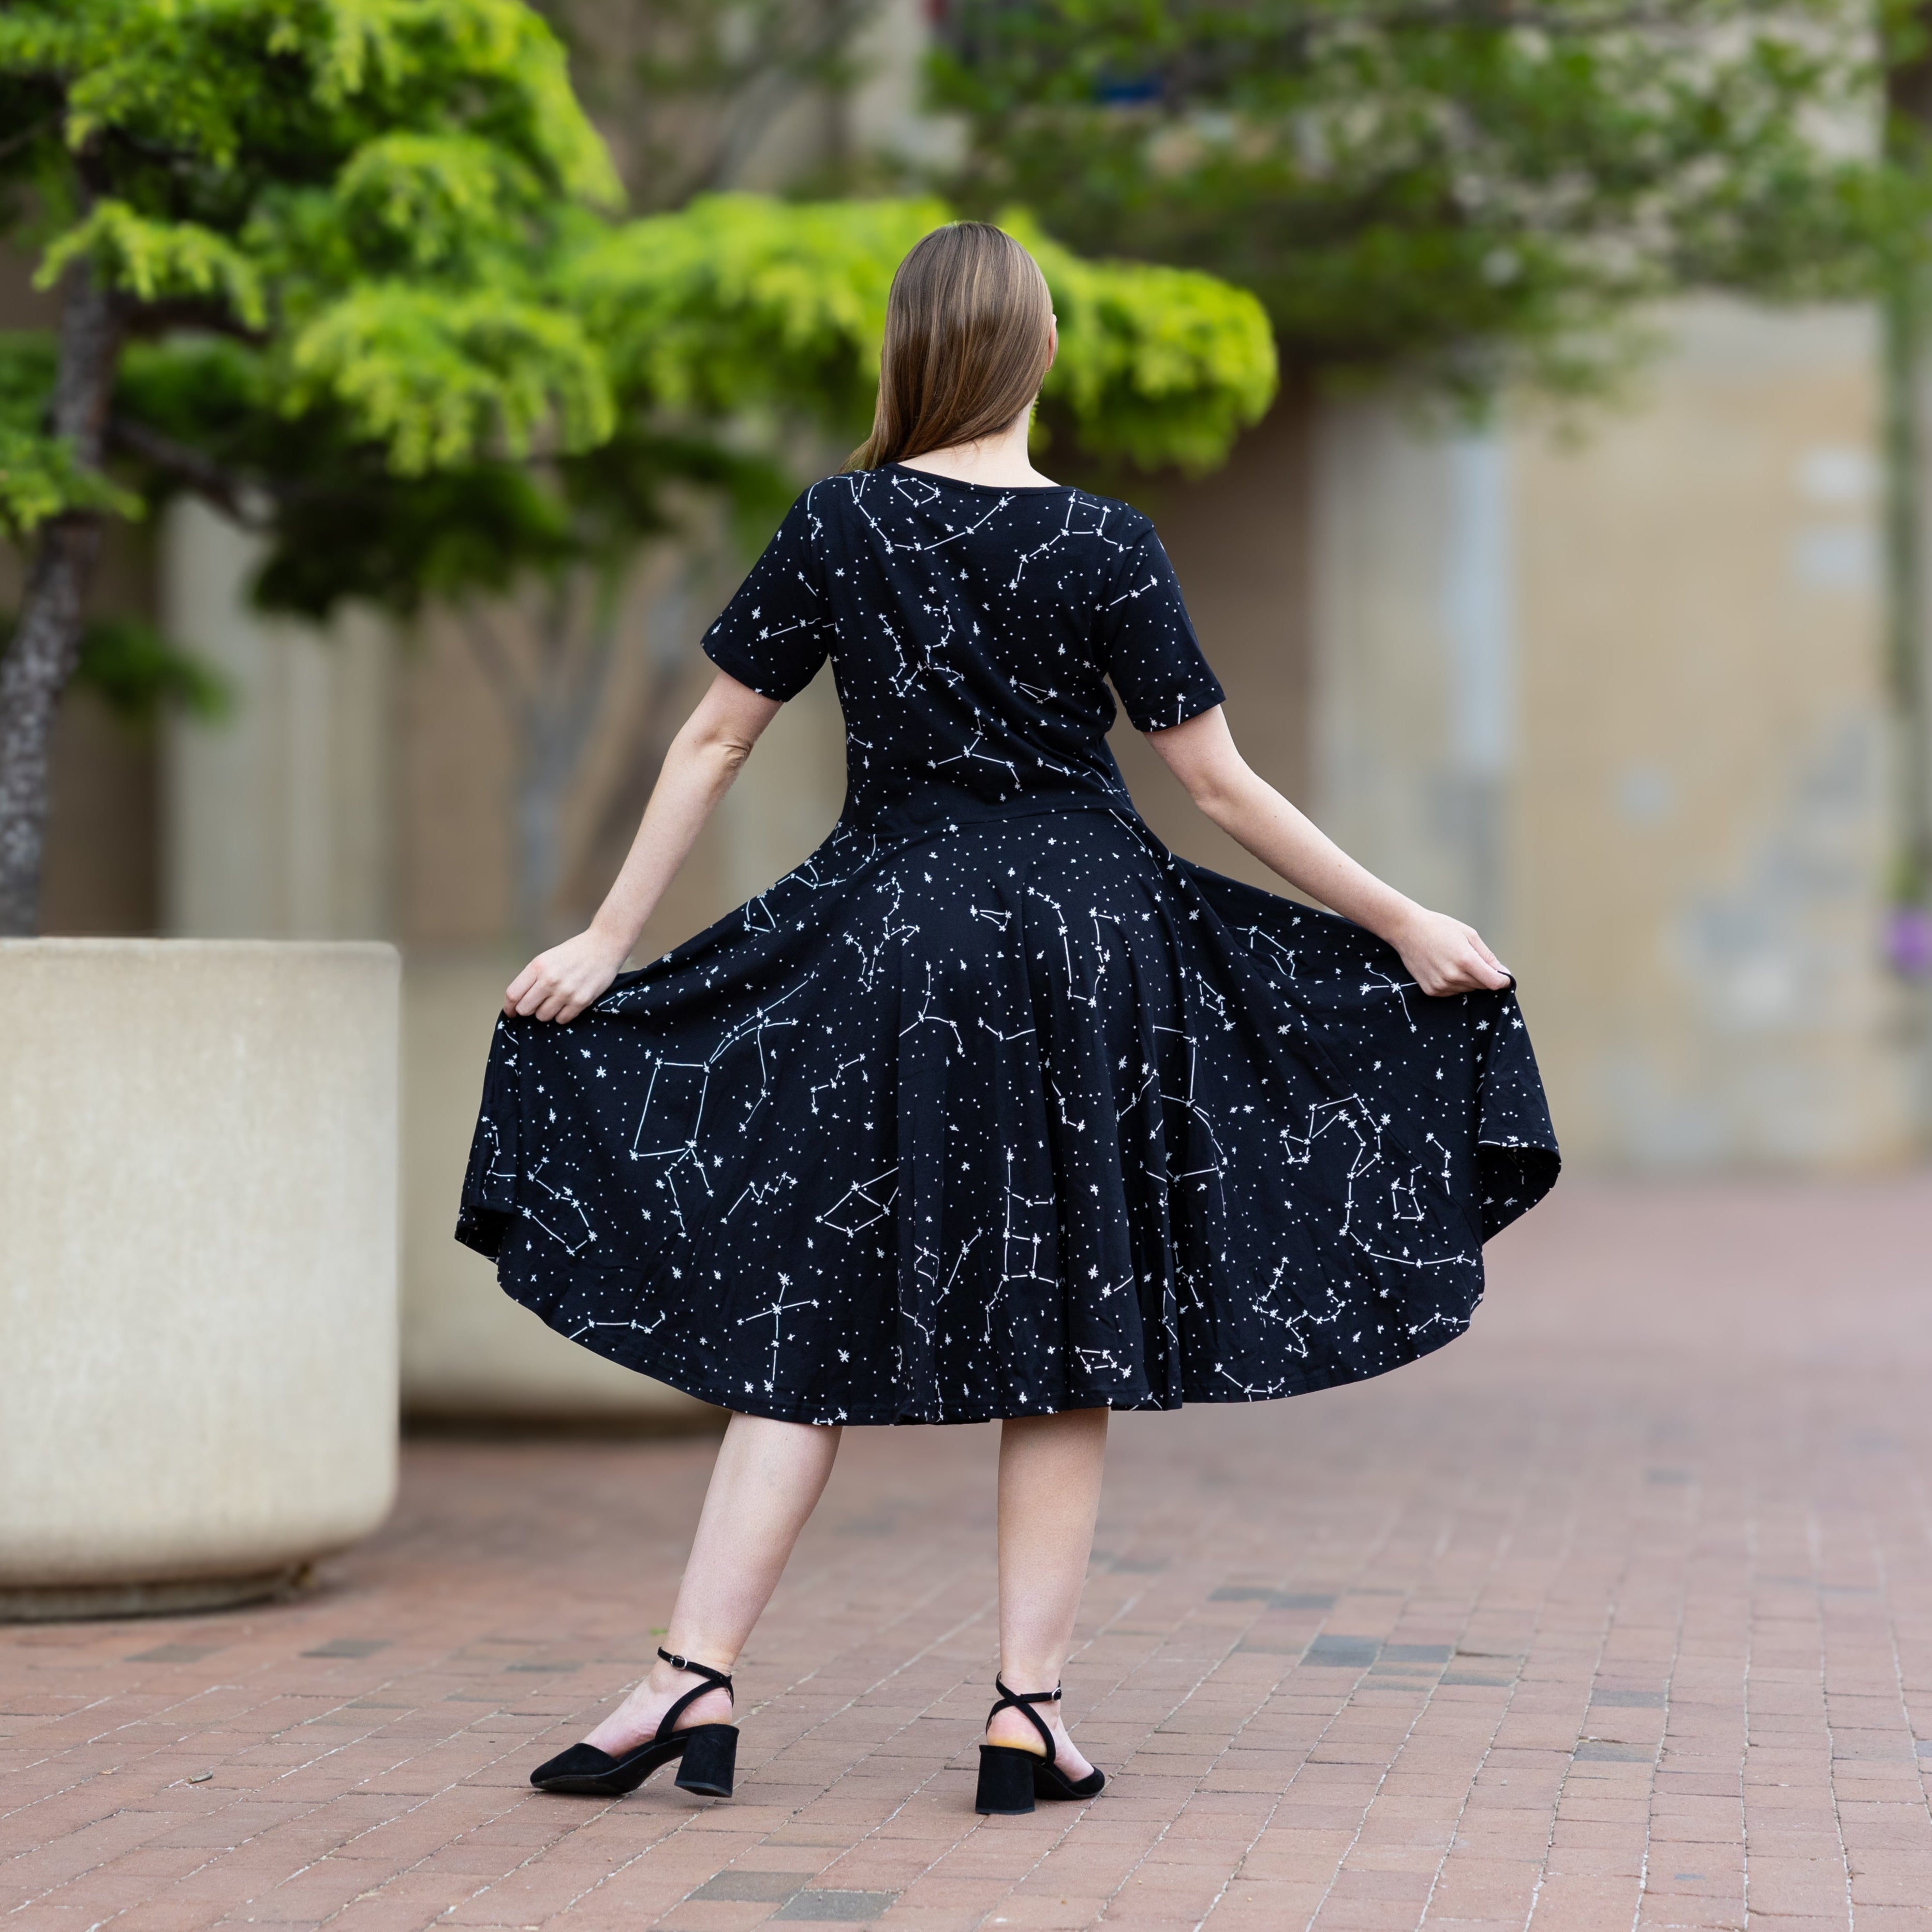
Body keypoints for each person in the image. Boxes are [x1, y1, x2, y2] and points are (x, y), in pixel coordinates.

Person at [456, 222, 1559, 1817]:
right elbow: (1217, 786)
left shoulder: (842, 522)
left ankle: (687, 1677)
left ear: (907, 358)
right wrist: (1401, 921)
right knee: (1068, 1332)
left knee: (799, 1308)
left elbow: (709, 746)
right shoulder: (1110, 542)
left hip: (894, 941)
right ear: (1039, 353)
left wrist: (606, 946)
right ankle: (1024, 1712)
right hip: (1094, 945)